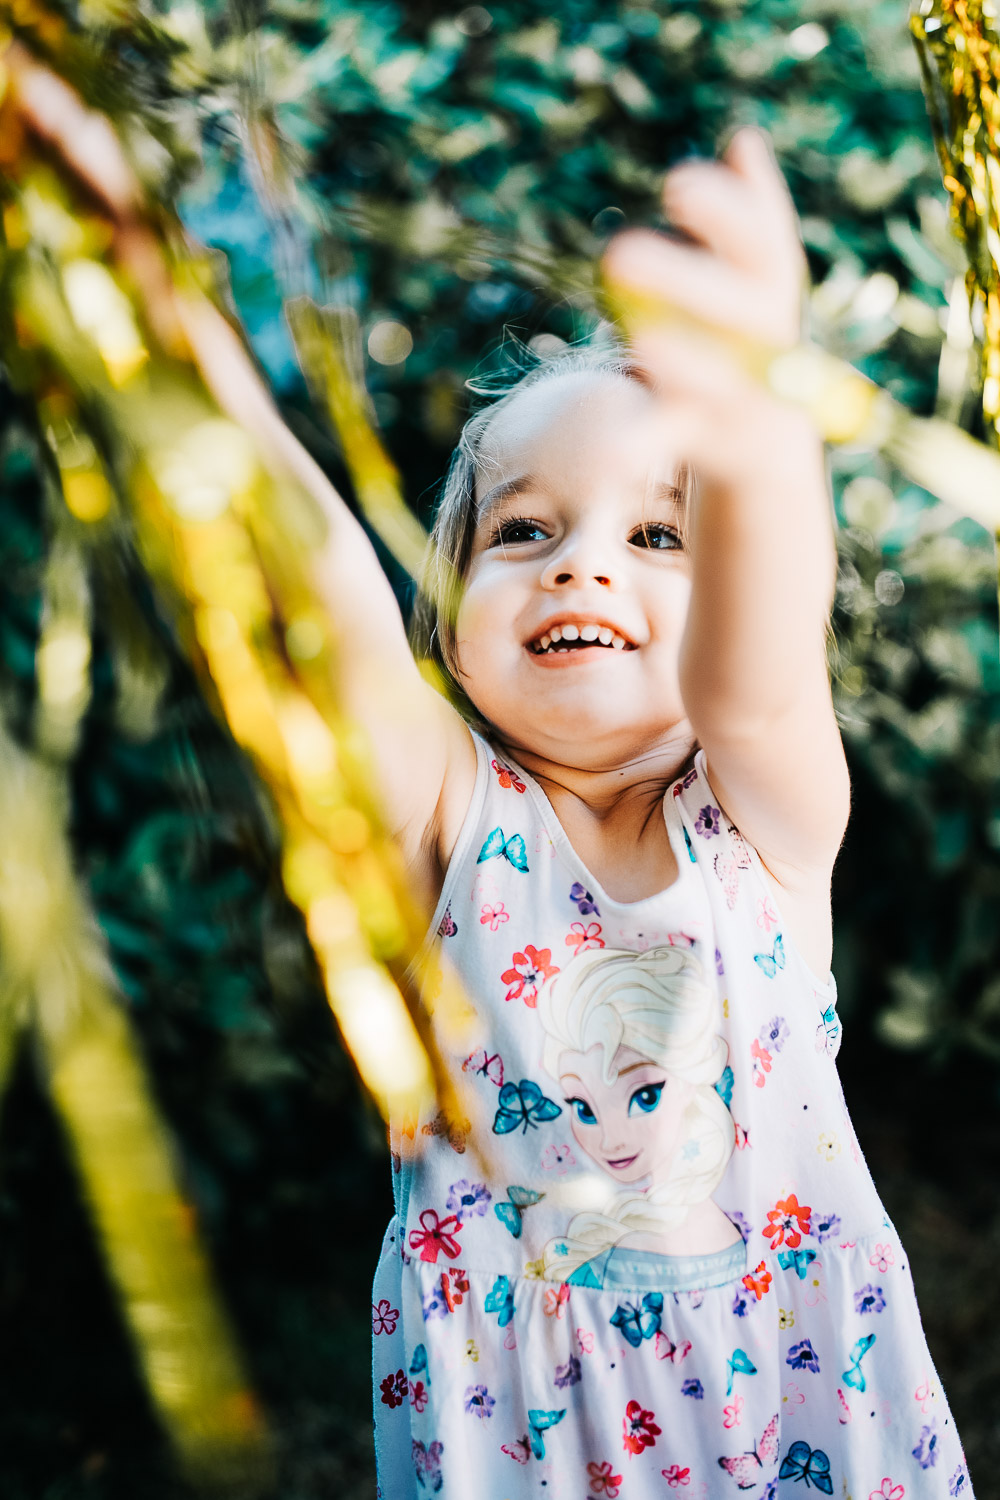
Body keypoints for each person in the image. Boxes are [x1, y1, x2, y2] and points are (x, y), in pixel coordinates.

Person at [7, 65, 970, 1496]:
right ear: (451, 620)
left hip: (796, 1415)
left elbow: (755, 671)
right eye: (523, 530)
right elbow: (314, 572)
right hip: (524, 1441)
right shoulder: (445, 817)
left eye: (662, 533)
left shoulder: (764, 824)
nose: (582, 559)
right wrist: (151, 290)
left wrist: (760, 429)